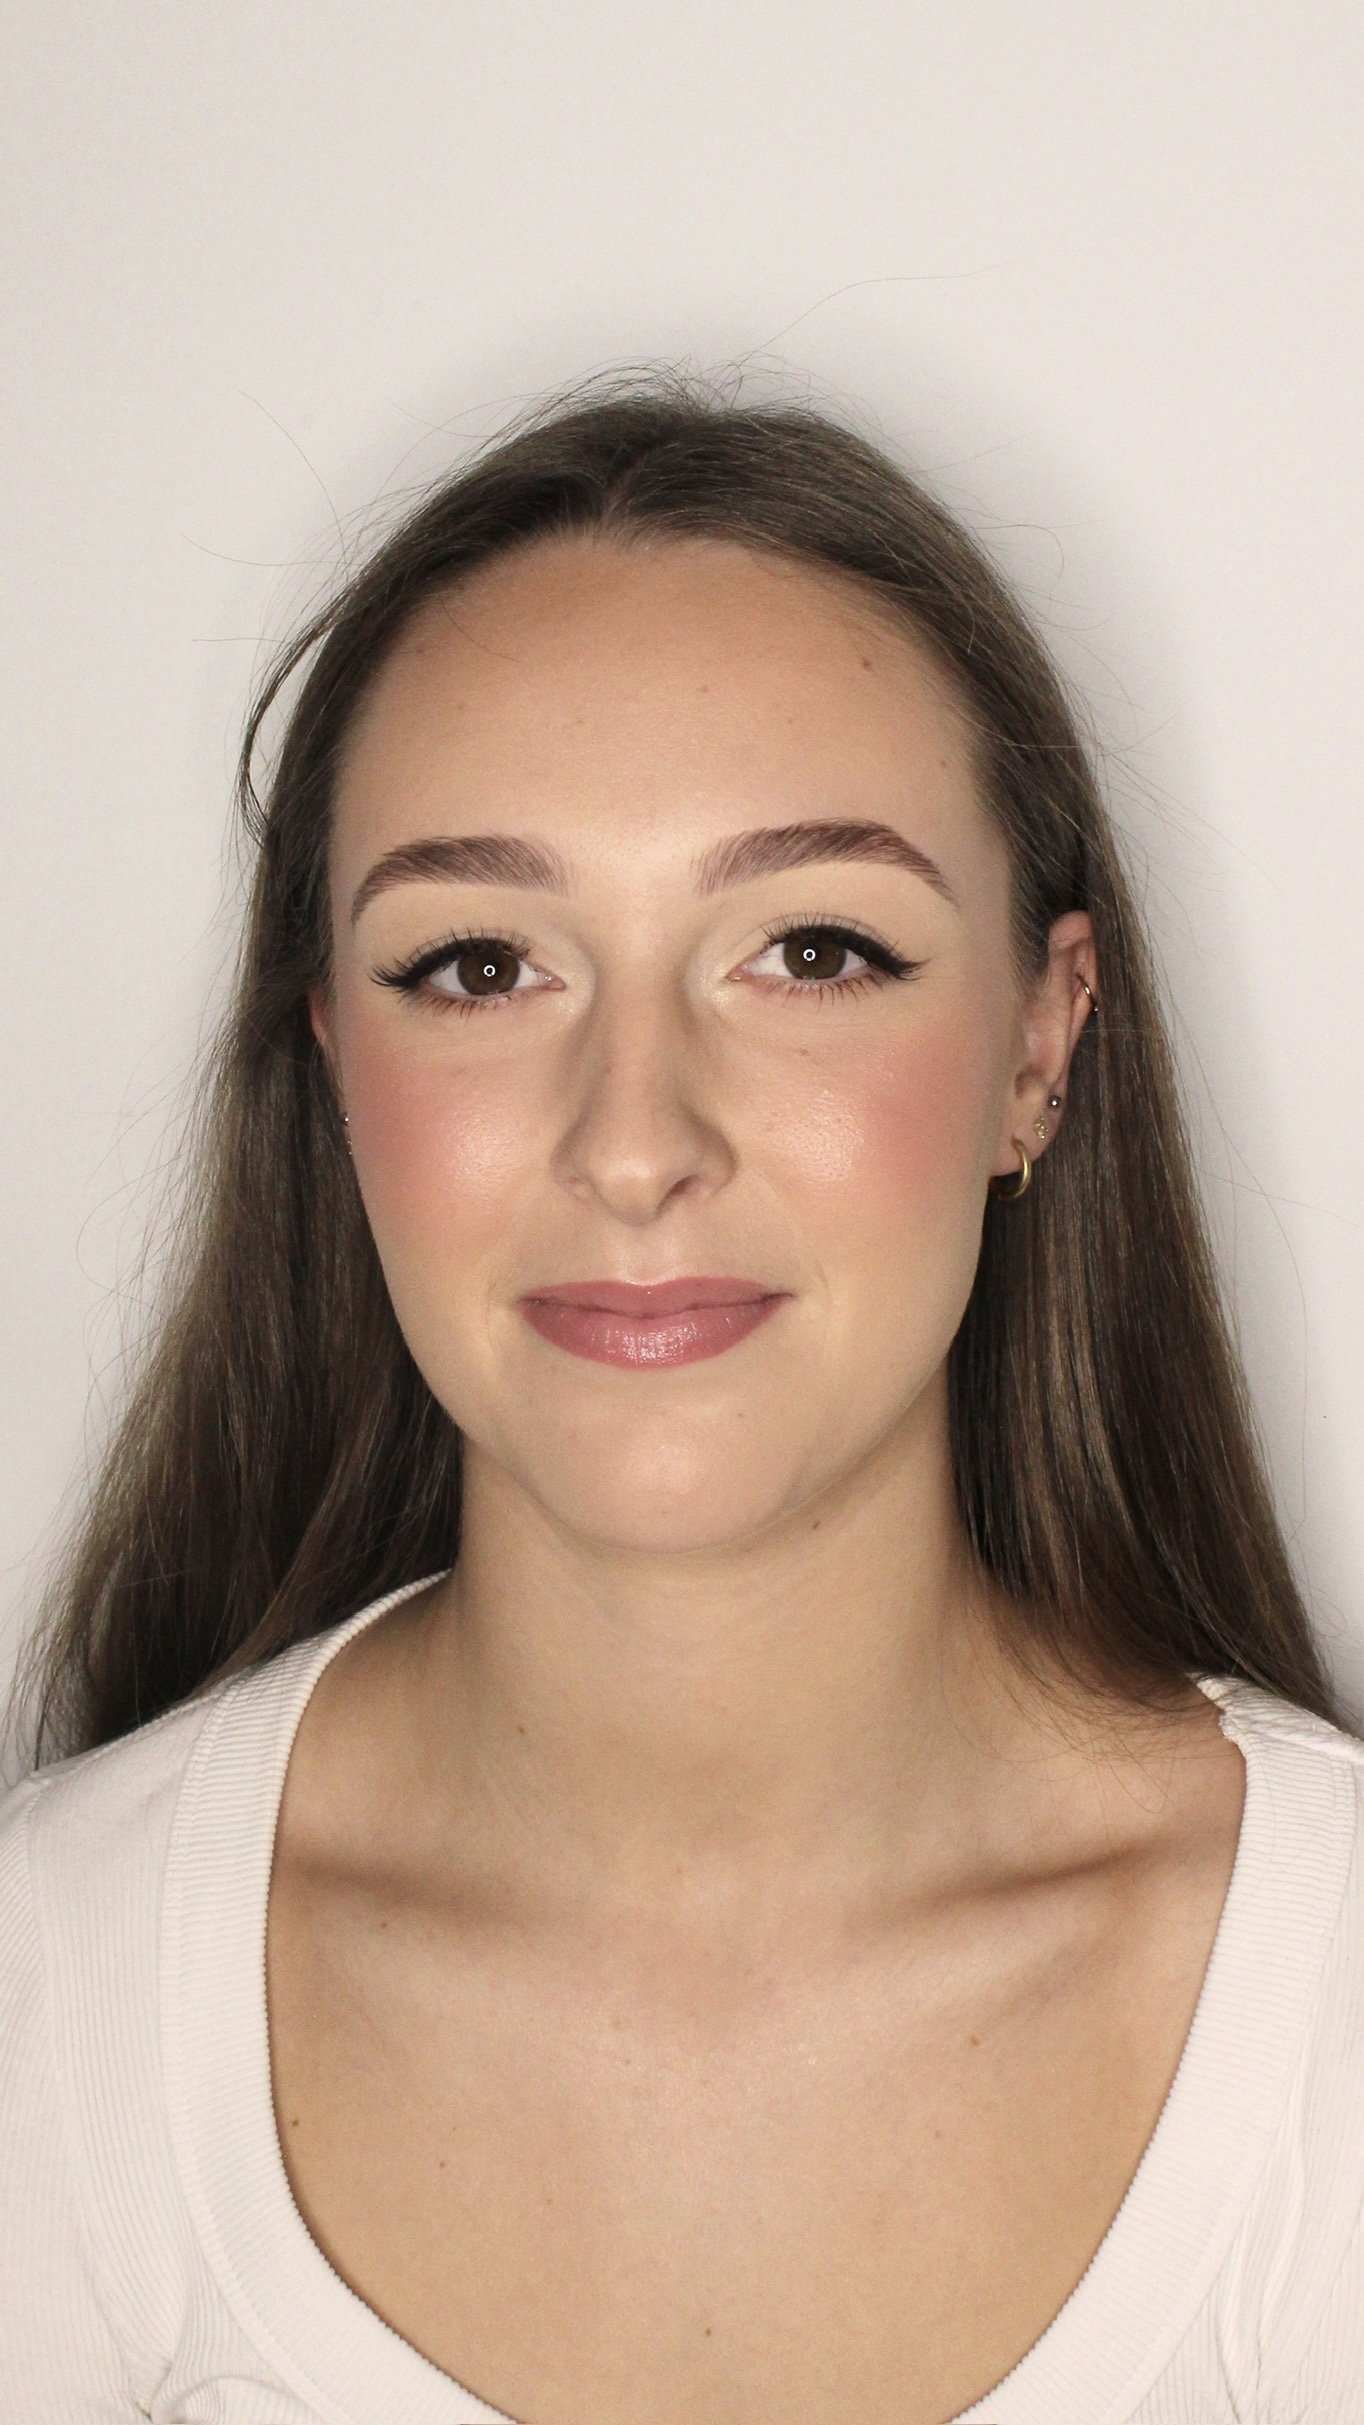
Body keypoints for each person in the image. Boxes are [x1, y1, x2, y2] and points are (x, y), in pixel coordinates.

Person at [1, 372, 1361, 2424]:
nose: (633, 1142)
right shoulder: (45, 2002)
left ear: (1038, 1044)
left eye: (811, 950)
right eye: (477, 965)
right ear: (331, 1070)